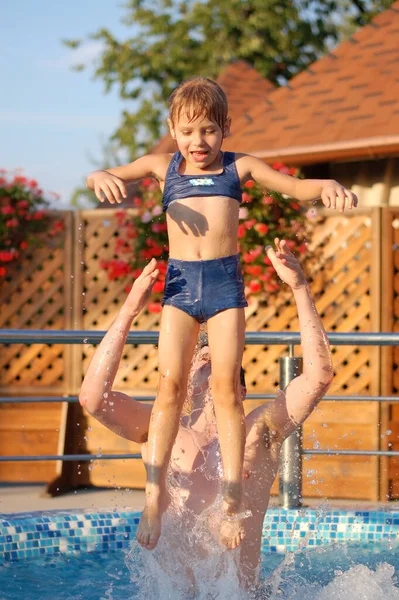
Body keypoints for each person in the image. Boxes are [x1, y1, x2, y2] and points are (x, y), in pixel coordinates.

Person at [85, 76, 354, 550]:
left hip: (226, 287)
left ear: (225, 128)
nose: (198, 141)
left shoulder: (240, 167)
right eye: (187, 131)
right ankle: (154, 498)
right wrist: (99, 177)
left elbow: (293, 187)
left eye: (208, 130)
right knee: (170, 386)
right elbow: (107, 174)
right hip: (181, 285)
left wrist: (326, 184)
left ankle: (232, 495)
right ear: (173, 128)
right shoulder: (160, 165)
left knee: (228, 387)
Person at [79, 239, 334, 593]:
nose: (209, 356)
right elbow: (93, 398)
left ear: (240, 390)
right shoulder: (158, 430)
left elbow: (319, 376)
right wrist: (128, 311)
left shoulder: (258, 432)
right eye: (202, 356)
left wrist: (300, 289)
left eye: (221, 360)